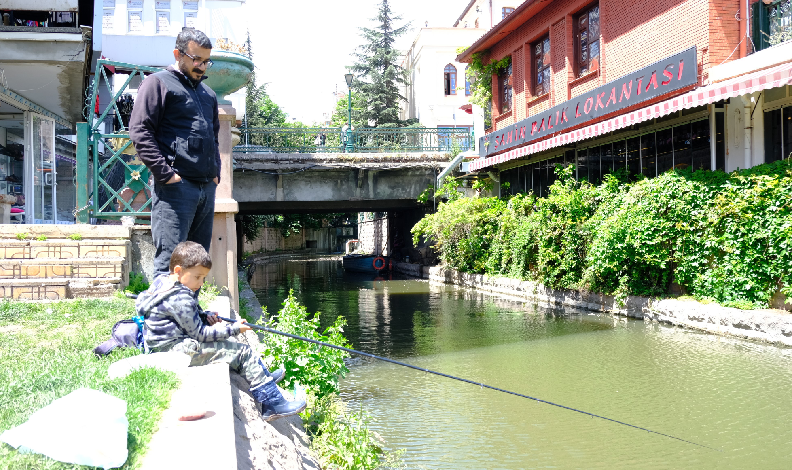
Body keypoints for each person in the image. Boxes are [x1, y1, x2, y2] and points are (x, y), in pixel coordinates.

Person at [136, 241, 307, 421]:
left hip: (163, 348)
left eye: (203, 278)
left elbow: (181, 317)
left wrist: (204, 316)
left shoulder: (163, 283)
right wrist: (234, 329)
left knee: (233, 346)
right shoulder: (180, 296)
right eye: (198, 277)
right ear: (178, 271)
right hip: (176, 352)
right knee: (242, 352)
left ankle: (262, 377)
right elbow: (200, 335)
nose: (201, 283)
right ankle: (272, 404)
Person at [129, 28, 221, 278]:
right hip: (175, 188)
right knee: (171, 263)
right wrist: (166, 175)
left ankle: (190, 314)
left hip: (205, 187)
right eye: (196, 59)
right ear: (178, 54)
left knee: (197, 265)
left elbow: (213, 138)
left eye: (206, 61)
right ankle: (161, 317)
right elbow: (139, 131)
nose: (201, 66)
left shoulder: (208, 94)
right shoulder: (157, 83)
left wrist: (216, 176)